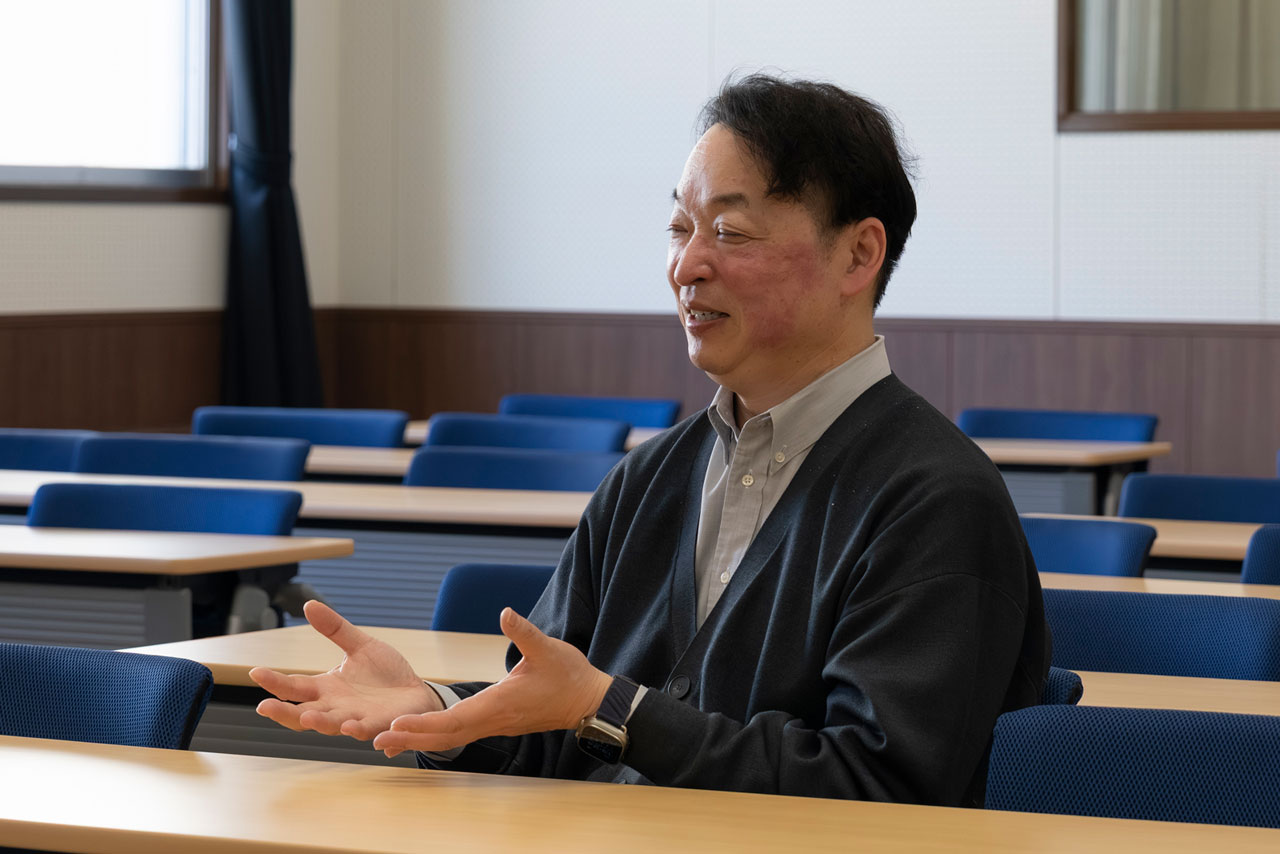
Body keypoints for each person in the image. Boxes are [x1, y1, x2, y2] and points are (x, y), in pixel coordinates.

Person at [251, 73, 1050, 807]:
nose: (686, 266)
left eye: (729, 231)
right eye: (678, 227)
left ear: (858, 253)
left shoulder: (936, 499)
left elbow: (875, 785)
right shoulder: (648, 479)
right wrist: (436, 711)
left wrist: (614, 709)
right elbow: (550, 721)